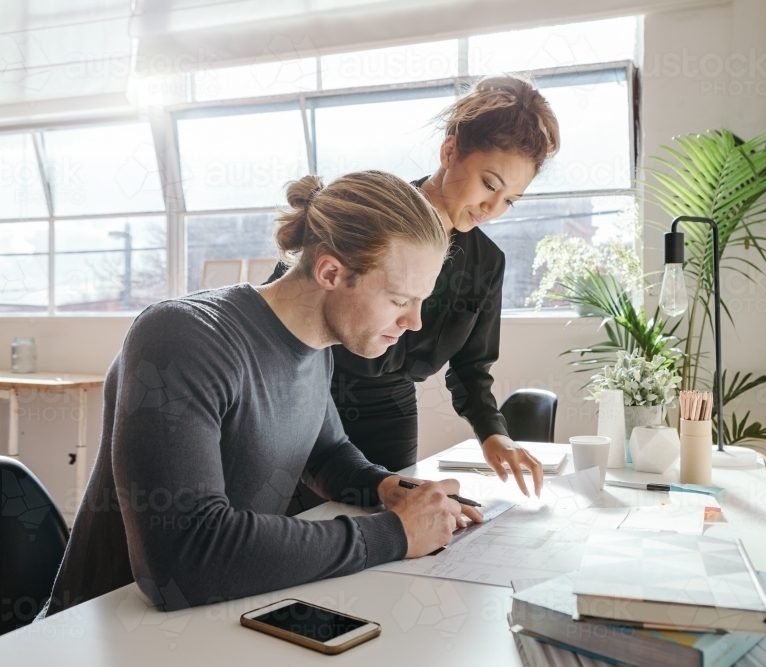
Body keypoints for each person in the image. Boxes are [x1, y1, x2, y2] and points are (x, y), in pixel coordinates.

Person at [39, 171, 482, 616]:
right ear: (331, 271)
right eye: (400, 299)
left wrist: (390, 488)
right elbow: (181, 560)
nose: (415, 322)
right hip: (102, 633)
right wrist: (395, 534)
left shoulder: (317, 345)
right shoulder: (182, 337)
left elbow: (325, 453)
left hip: (218, 617)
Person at [269, 76, 561, 514]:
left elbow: (471, 367)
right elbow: (289, 304)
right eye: (488, 183)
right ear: (450, 152)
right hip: (312, 403)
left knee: (391, 541)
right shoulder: (373, 212)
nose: (492, 209)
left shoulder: (486, 263)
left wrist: (493, 433)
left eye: (510, 200)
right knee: (304, 535)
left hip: (393, 414)